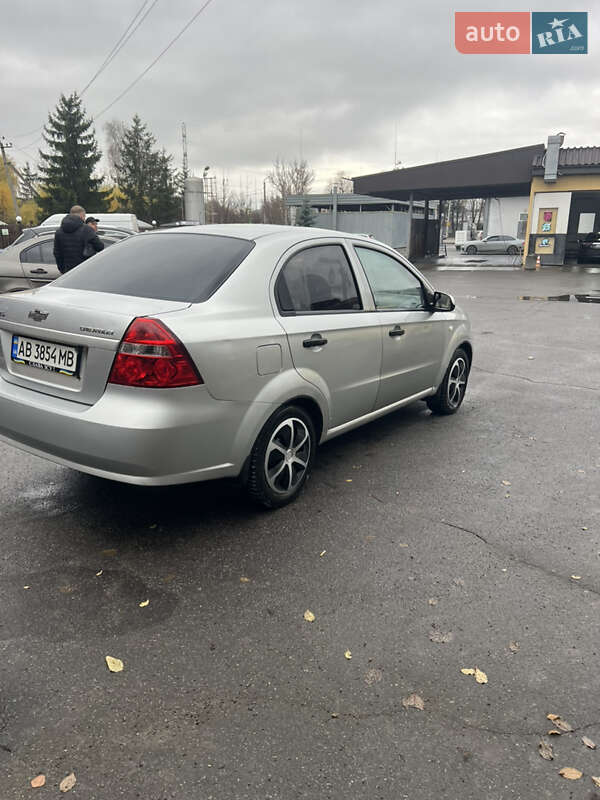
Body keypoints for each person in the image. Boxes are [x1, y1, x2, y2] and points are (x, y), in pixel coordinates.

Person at [53, 205, 103, 273]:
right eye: (84, 217)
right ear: (82, 215)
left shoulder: (59, 232)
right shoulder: (87, 229)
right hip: (85, 270)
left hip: (67, 272)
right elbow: (100, 247)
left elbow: (57, 253)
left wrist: (62, 269)